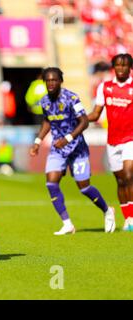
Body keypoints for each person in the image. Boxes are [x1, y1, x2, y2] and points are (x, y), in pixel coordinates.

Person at [30, 67, 115, 235]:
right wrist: (38, 141)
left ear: (61, 81)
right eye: (48, 80)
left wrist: (68, 138)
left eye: (55, 80)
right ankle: (67, 223)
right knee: (51, 182)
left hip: (77, 148)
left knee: (84, 187)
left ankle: (107, 210)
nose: (51, 83)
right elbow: (47, 121)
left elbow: (84, 121)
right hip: (58, 148)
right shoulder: (45, 101)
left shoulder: (71, 98)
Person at [88, 53, 133, 231]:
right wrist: (78, 119)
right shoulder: (105, 87)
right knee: (121, 181)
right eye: (118, 65)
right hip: (112, 140)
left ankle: (132, 218)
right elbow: (96, 114)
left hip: (130, 138)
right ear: (114, 67)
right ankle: (127, 218)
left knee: (130, 175)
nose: (121, 68)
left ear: (130, 68)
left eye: (125, 65)